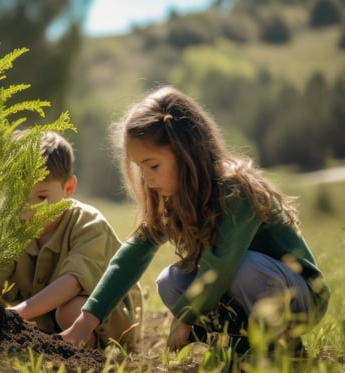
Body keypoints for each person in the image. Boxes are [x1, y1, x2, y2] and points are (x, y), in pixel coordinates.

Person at [60, 86, 330, 356]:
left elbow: (221, 263)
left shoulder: (235, 190)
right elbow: (130, 257)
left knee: (245, 268)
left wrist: (185, 317)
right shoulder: (172, 199)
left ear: (186, 153)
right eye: (140, 167)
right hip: (249, 289)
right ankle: (240, 348)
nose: (147, 178)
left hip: (301, 298)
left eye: (153, 166)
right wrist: (87, 319)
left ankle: (283, 348)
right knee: (171, 282)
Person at [0, 130, 143, 350]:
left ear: (68, 188)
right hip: (41, 322)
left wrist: (15, 315)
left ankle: (91, 354)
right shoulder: (6, 228)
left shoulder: (88, 223)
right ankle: (48, 345)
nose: (29, 207)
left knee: (70, 311)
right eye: (19, 196)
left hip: (107, 319)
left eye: (42, 197)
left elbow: (73, 282)